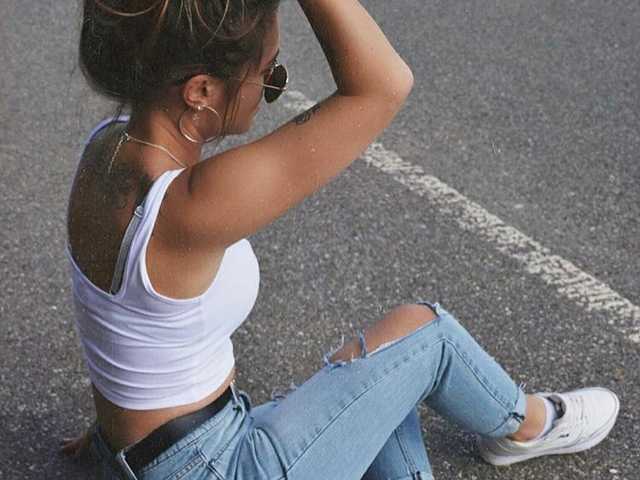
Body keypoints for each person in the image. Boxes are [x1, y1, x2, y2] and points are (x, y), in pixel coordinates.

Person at [61, 1, 620, 479]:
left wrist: (119, 430)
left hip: (147, 454)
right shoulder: (192, 204)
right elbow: (382, 85)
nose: (270, 90)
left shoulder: (108, 149)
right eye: (271, 76)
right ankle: (527, 425)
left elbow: (120, 320)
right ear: (201, 90)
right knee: (426, 337)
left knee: (382, 382)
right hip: (216, 465)